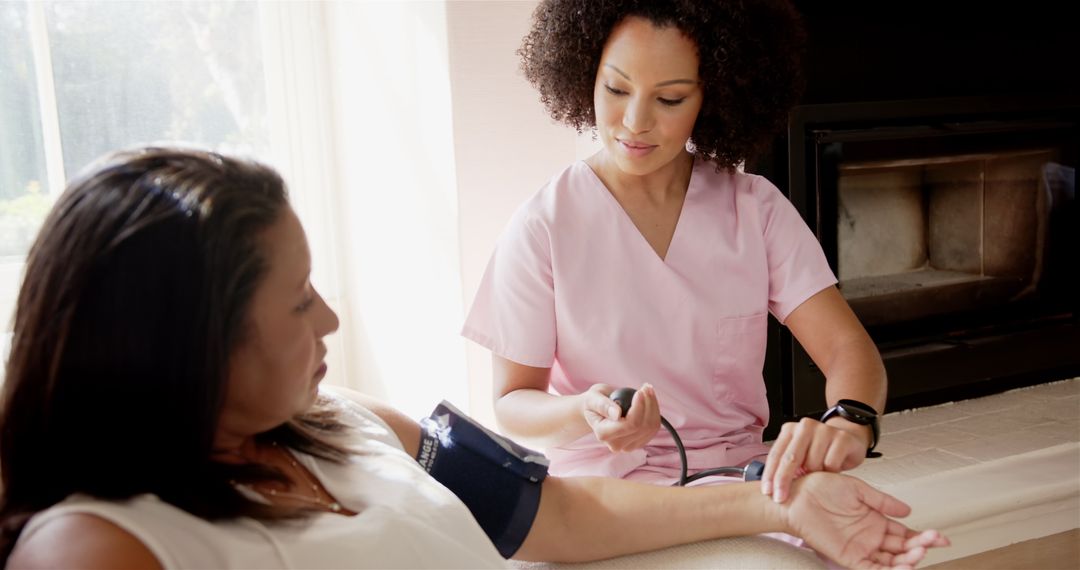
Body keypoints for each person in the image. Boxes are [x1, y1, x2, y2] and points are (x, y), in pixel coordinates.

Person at [0, 147, 947, 569]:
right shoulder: (99, 549)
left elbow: (557, 510)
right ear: (184, 341)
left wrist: (777, 500)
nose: (330, 317)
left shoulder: (352, 423)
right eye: (297, 299)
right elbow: (525, 409)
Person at [463, 0, 887, 504]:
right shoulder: (542, 226)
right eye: (617, 89)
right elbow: (512, 402)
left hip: (734, 480)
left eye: (670, 99)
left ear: (713, 96)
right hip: (602, 492)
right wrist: (586, 413)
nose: (635, 121)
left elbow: (847, 350)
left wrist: (850, 421)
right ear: (585, 75)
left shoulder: (756, 209)